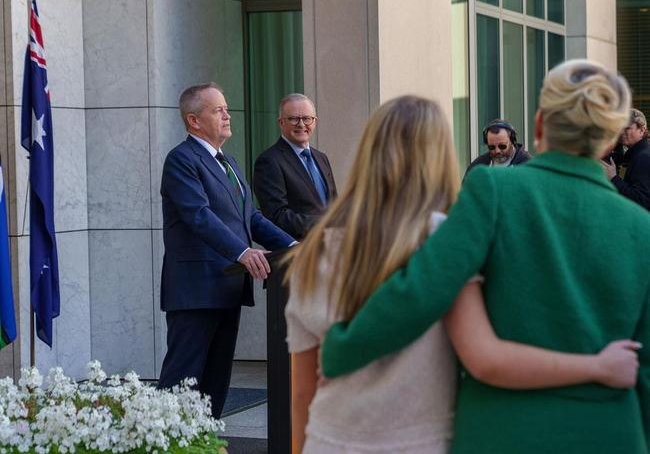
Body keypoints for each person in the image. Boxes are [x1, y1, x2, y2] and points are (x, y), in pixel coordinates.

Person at [321, 61, 650, 453]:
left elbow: (423, 286)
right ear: (612, 140)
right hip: (611, 434)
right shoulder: (640, 227)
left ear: (540, 124)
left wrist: (342, 347)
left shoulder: (492, 189)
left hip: (504, 432)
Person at [157, 82, 296, 419]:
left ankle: (205, 440)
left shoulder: (229, 162)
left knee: (216, 382)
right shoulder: (181, 160)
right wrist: (243, 253)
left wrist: (293, 247)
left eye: (225, 108)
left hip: (226, 288)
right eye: (217, 110)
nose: (226, 115)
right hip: (195, 289)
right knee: (182, 381)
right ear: (193, 120)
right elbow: (198, 215)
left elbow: (252, 218)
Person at [254, 94, 337, 239]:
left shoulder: (321, 158)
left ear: (315, 121)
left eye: (307, 118)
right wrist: (322, 225)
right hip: (297, 252)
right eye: (293, 119)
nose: (301, 124)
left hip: (331, 247)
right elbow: (276, 216)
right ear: (281, 123)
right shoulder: (269, 161)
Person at [602, 108, 650, 210]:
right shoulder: (634, 153)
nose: (622, 132)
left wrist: (613, 178)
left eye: (627, 128)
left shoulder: (643, 157)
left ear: (642, 130)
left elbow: (641, 200)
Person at [464, 118, 531, 176]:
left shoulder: (528, 166)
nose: (497, 151)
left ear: (512, 141)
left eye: (502, 146)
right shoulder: (477, 166)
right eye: (492, 147)